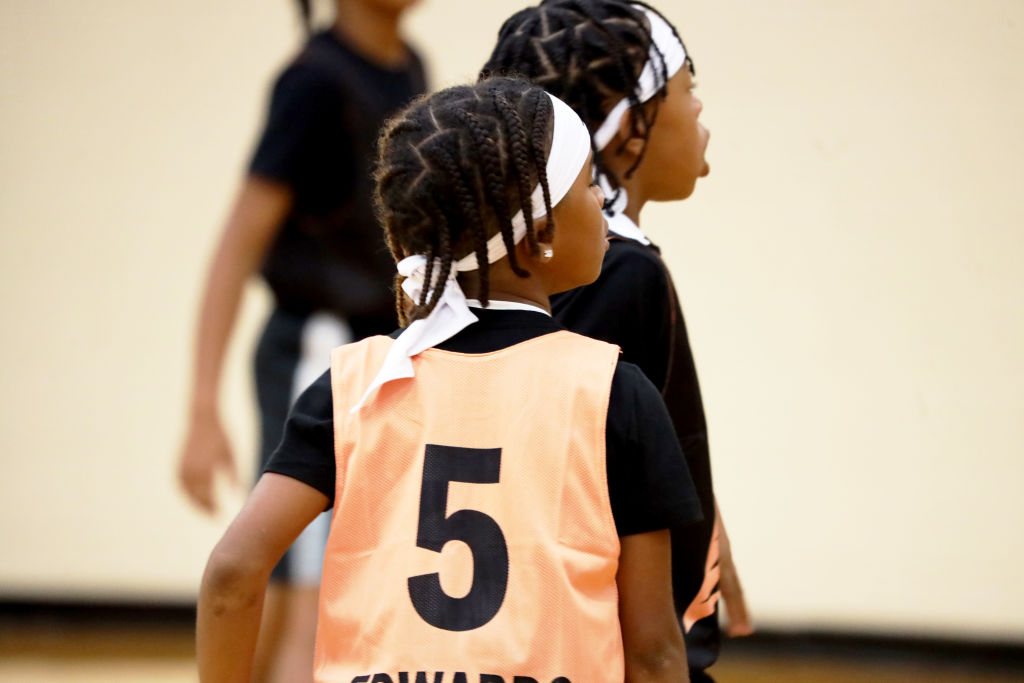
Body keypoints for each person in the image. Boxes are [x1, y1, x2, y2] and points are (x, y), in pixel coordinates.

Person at [197, 77, 702, 683]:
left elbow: (232, 572)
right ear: (539, 234)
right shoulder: (614, 392)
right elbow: (654, 652)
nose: (601, 200)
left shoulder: (354, 384)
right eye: (589, 182)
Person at [481, 2, 752, 680]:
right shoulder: (620, 273)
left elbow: (644, 440)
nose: (700, 116)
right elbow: (568, 477)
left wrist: (713, 547)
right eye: (689, 90)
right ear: (630, 126)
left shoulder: (551, 267)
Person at [177, 1, 425, 680]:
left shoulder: (410, 69)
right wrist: (202, 409)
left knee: (343, 580)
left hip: (383, 354)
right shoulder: (314, 81)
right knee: (301, 591)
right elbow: (237, 245)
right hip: (317, 353)